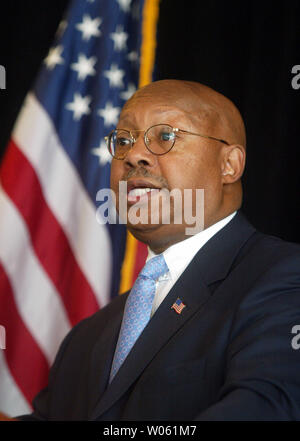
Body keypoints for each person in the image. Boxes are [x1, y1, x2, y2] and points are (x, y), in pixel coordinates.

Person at [3, 79, 300, 421]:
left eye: (165, 137)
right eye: (124, 141)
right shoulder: (87, 337)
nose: (133, 156)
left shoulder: (283, 280)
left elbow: (266, 409)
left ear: (228, 165)